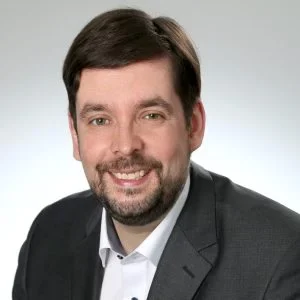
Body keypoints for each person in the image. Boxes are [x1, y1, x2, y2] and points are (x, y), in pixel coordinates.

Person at [13, 8, 300, 300]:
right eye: (100, 120)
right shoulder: (48, 236)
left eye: (151, 115)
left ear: (194, 125)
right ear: (75, 135)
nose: (125, 146)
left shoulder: (281, 258)